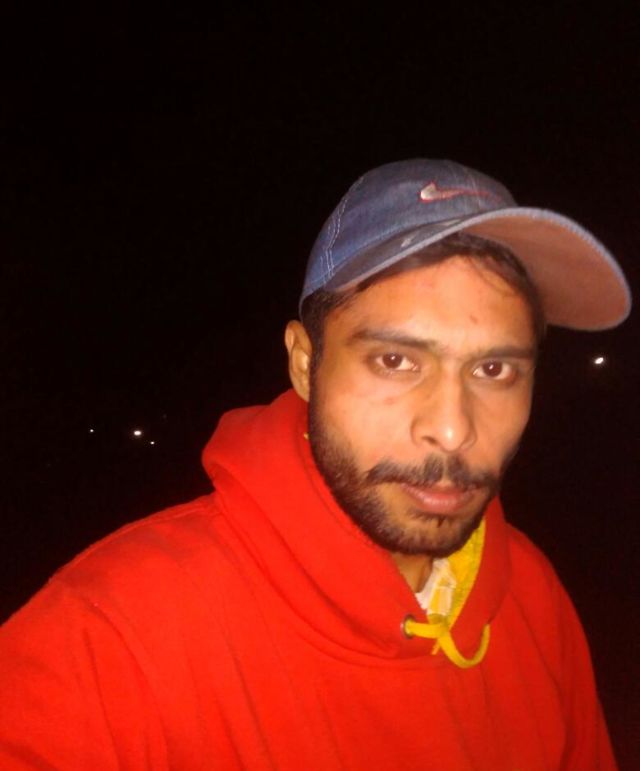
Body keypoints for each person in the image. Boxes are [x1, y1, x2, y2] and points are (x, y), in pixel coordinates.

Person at [0, 159, 630, 770]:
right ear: (305, 364)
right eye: (395, 361)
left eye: (493, 369)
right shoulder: (110, 635)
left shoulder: (532, 594)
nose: (450, 429)